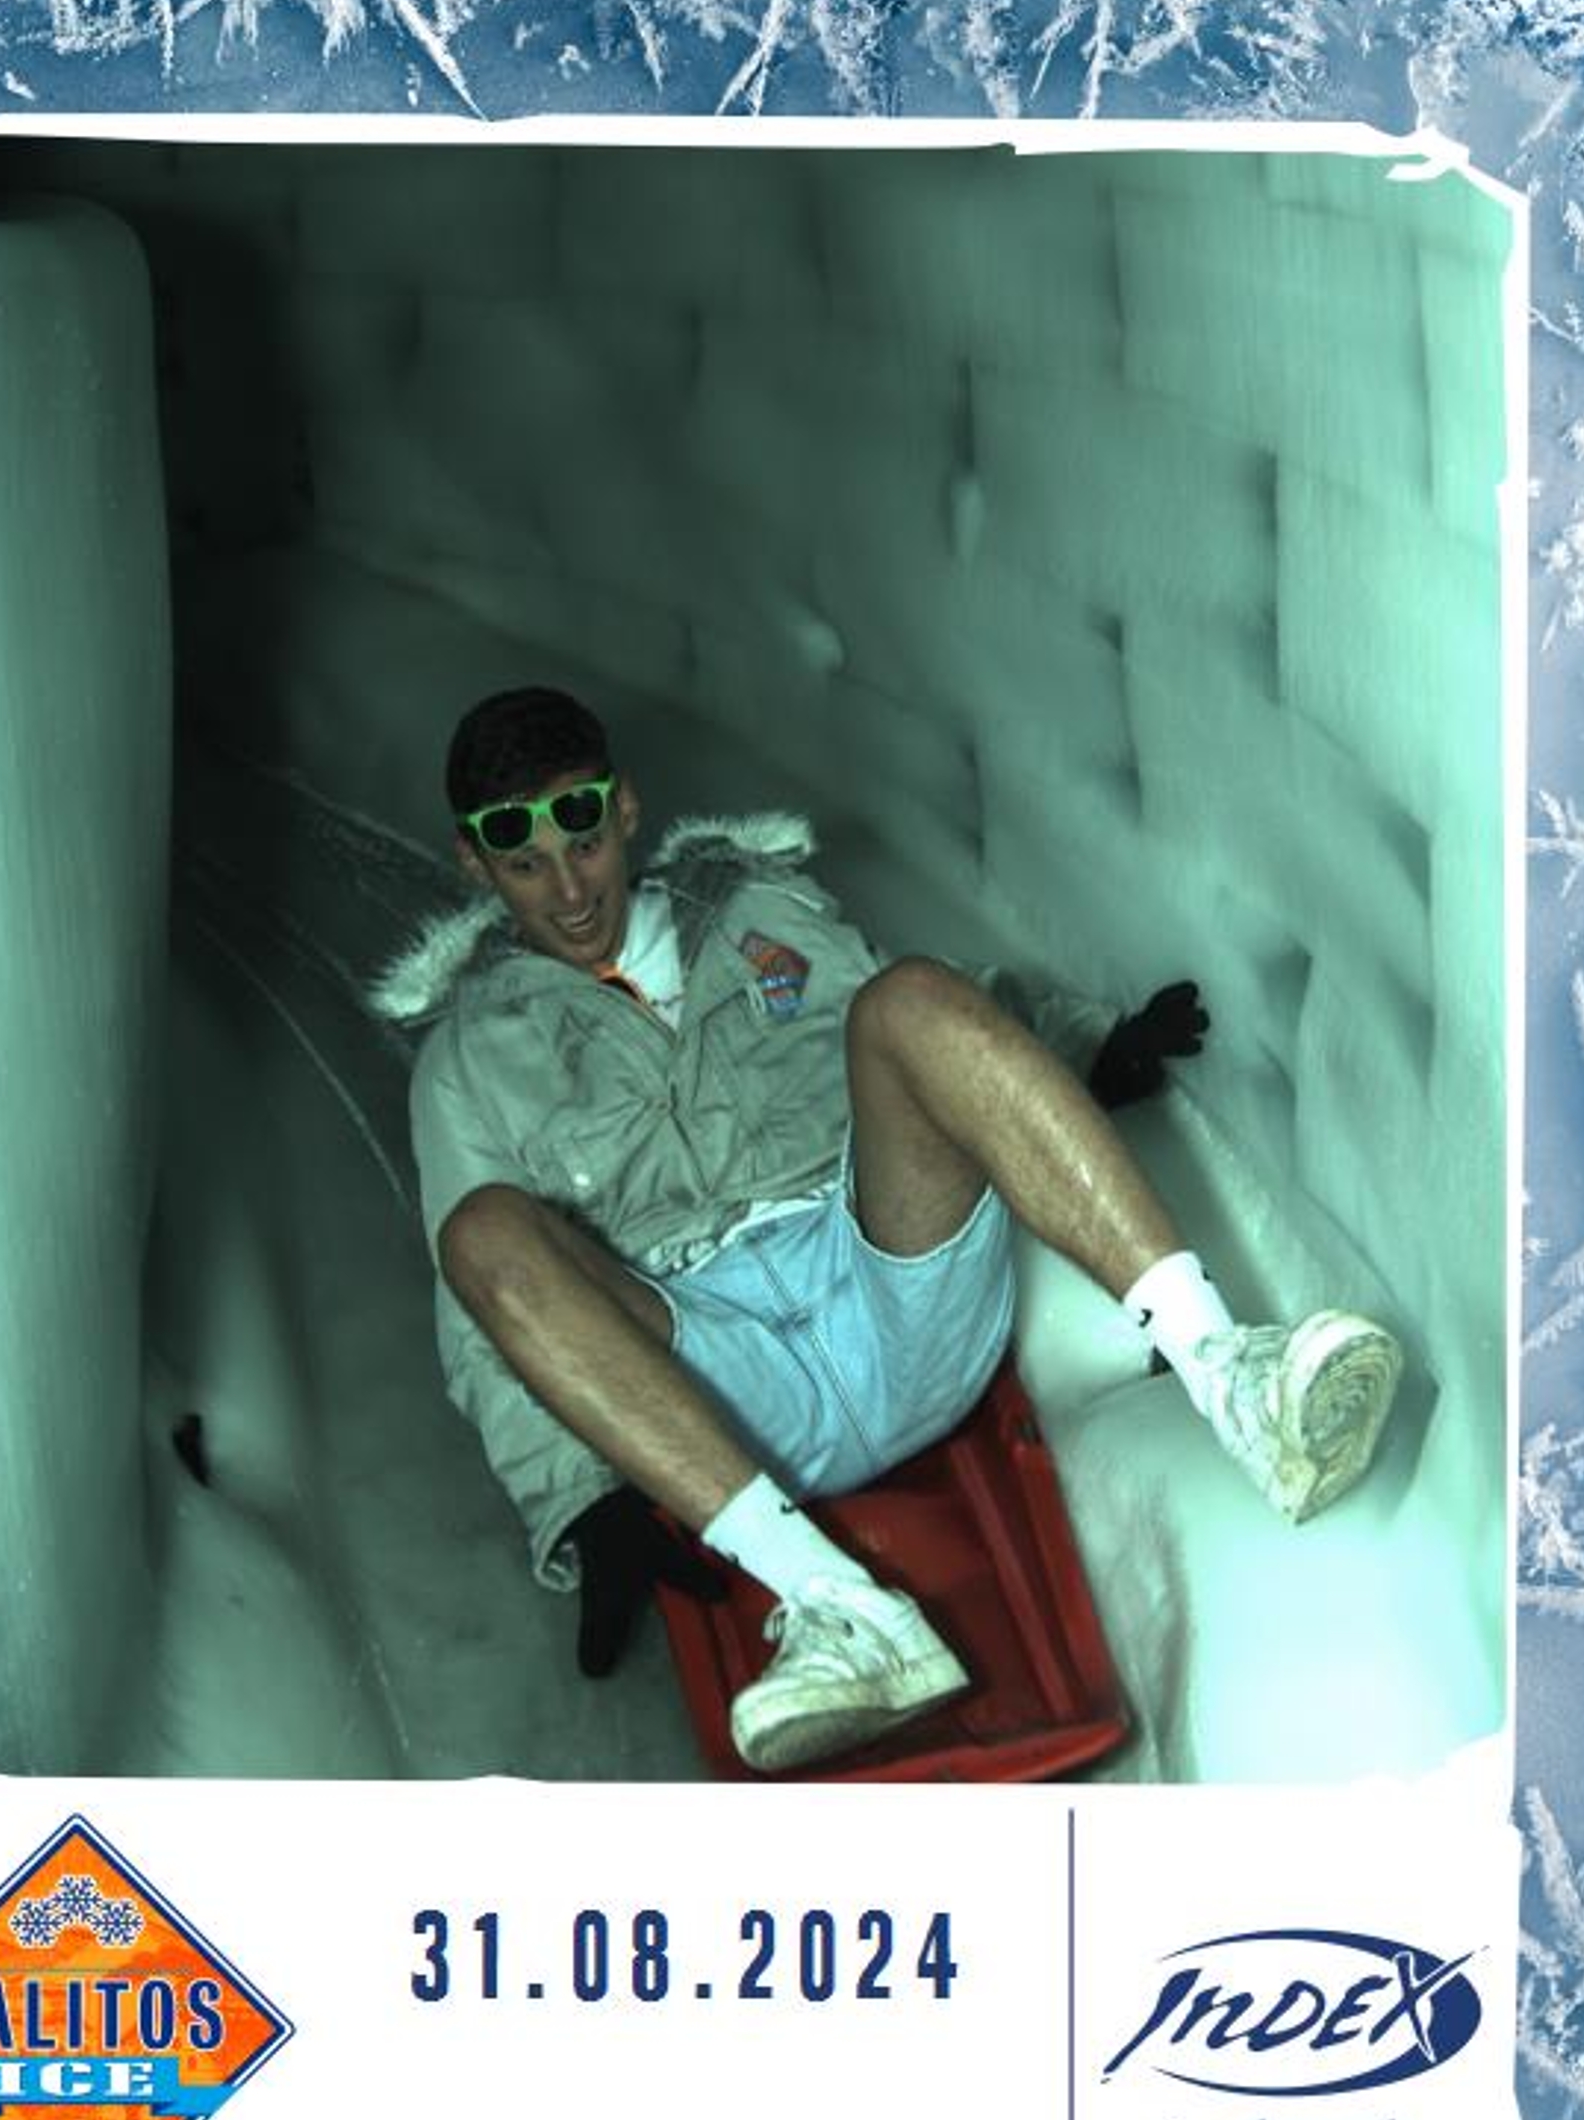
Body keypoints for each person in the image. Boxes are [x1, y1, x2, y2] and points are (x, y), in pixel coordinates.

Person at [371, 686, 1402, 1773]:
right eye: (525, 864)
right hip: (712, 1380)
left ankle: (1233, 1377)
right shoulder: (468, 1059)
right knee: (481, 1232)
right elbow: (484, 1313)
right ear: (476, 864)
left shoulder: (764, 911)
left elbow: (949, 1028)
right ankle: (837, 1612)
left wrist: (1086, 1050)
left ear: (623, 808)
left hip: (890, 1280)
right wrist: (579, 1498)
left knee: (907, 996)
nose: (570, 890)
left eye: (581, 841)